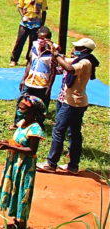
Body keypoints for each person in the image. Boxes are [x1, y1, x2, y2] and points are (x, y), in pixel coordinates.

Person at [38, 38, 99, 175]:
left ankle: (51, 163)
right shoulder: (79, 60)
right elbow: (64, 62)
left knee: (59, 130)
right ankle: (73, 166)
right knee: (74, 133)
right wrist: (54, 49)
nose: (74, 50)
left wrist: (56, 55)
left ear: (84, 50)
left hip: (72, 103)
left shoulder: (85, 62)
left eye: (77, 48)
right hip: (66, 99)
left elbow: (69, 68)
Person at [0, 95, 46, 229]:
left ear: (33, 113)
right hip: (15, 164)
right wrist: (7, 143)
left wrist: (10, 147)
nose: (19, 111)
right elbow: (18, 142)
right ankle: (17, 223)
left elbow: (31, 150)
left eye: (22, 109)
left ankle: (22, 225)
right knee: (15, 190)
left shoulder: (35, 129)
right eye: (19, 107)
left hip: (25, 167)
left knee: (23, 193)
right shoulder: (21, 123)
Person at [12, 27, 56, 127]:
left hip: (41, 85)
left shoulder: (52, 53)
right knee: (22, 102)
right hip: (29, 82)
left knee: (40, 107)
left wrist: (49, 87)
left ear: (49, 40)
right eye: (39, 38)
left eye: (44, 39)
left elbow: (53, 71)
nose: (41, 40)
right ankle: (17, 123)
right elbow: (30, 63)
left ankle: (39, 125)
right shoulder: (34, 47)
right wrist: (24, 79)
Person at [10, 0, 47, 66]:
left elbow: (44, 11)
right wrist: (22, 15)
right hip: (25, 22)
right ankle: (14, 59)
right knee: (19, 41)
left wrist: (42, 25)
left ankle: (29, 59)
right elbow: (19, 7)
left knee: (33, 43)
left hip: (36, 23)